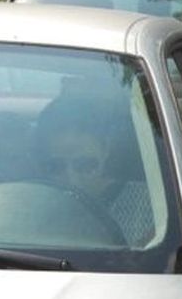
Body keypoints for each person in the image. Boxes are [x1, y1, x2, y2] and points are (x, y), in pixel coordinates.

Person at [34, 95, 155, 247]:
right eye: (55, 167)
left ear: (105, 150)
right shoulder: (29, 207)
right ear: (40, 161)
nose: (72, 179)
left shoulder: (151, 207)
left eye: (85, 165)